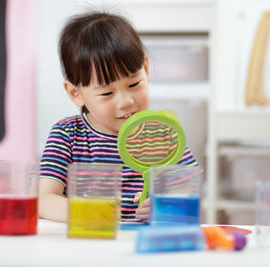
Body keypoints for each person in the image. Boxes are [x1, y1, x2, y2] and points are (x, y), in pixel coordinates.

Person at [39, 11, 198, 223]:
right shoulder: (67, 135)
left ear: (146, 70)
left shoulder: (161, 133)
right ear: (76, 94)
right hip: (87, 244)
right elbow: (44, 199)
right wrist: (84, 211)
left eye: (134, 84)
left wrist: (166, 206)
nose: (126, 101)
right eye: (107, 93)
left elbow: (189, 190)